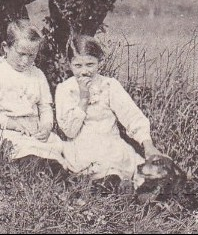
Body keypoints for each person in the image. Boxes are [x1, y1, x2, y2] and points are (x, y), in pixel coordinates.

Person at [55, 35, 163, 184]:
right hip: (83, 147)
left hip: (112, 145)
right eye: (78, 66)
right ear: (69, 64)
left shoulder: (109, 85)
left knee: (147, 171)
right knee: (106, 169)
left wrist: (148, 145)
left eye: (90, 64)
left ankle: (145, 190)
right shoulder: (65, 89)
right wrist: (84, 99)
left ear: (100, 62)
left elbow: (131, 115)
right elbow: (69, 130)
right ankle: (109, 184)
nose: (84, 71)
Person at [0, 20, 67, 169]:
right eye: (21, 54)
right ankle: (35, 165)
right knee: (14, 145)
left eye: (32, 56)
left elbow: (45, 107)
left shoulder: (37, 75)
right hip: (6, 129)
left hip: (33, 130)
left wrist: (46, 126)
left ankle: (53, 167)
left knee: (56, 145)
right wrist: (12, 125)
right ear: (6, 47)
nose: (25, 61)